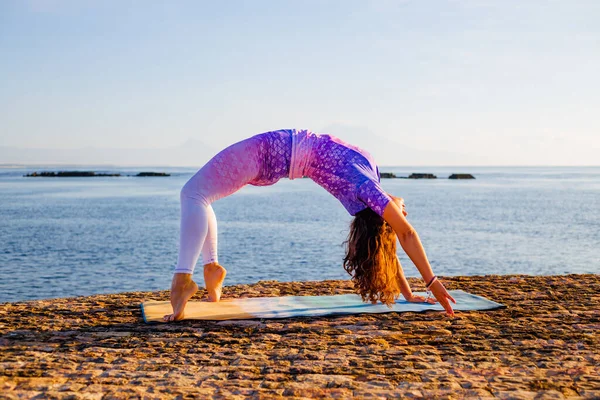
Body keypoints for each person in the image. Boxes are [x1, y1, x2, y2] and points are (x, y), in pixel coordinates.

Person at [164, 129, 456, 322]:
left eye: (397, 214)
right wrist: (407, 294)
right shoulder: (371, 189)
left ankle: (182, 282)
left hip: (268, 151)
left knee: (193, 194)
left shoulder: (368, 191)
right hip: (275, 155)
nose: (403, 213)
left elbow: (404, 233)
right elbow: (388, 242)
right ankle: (211, 268)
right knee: (201, 196)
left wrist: (431, 282)